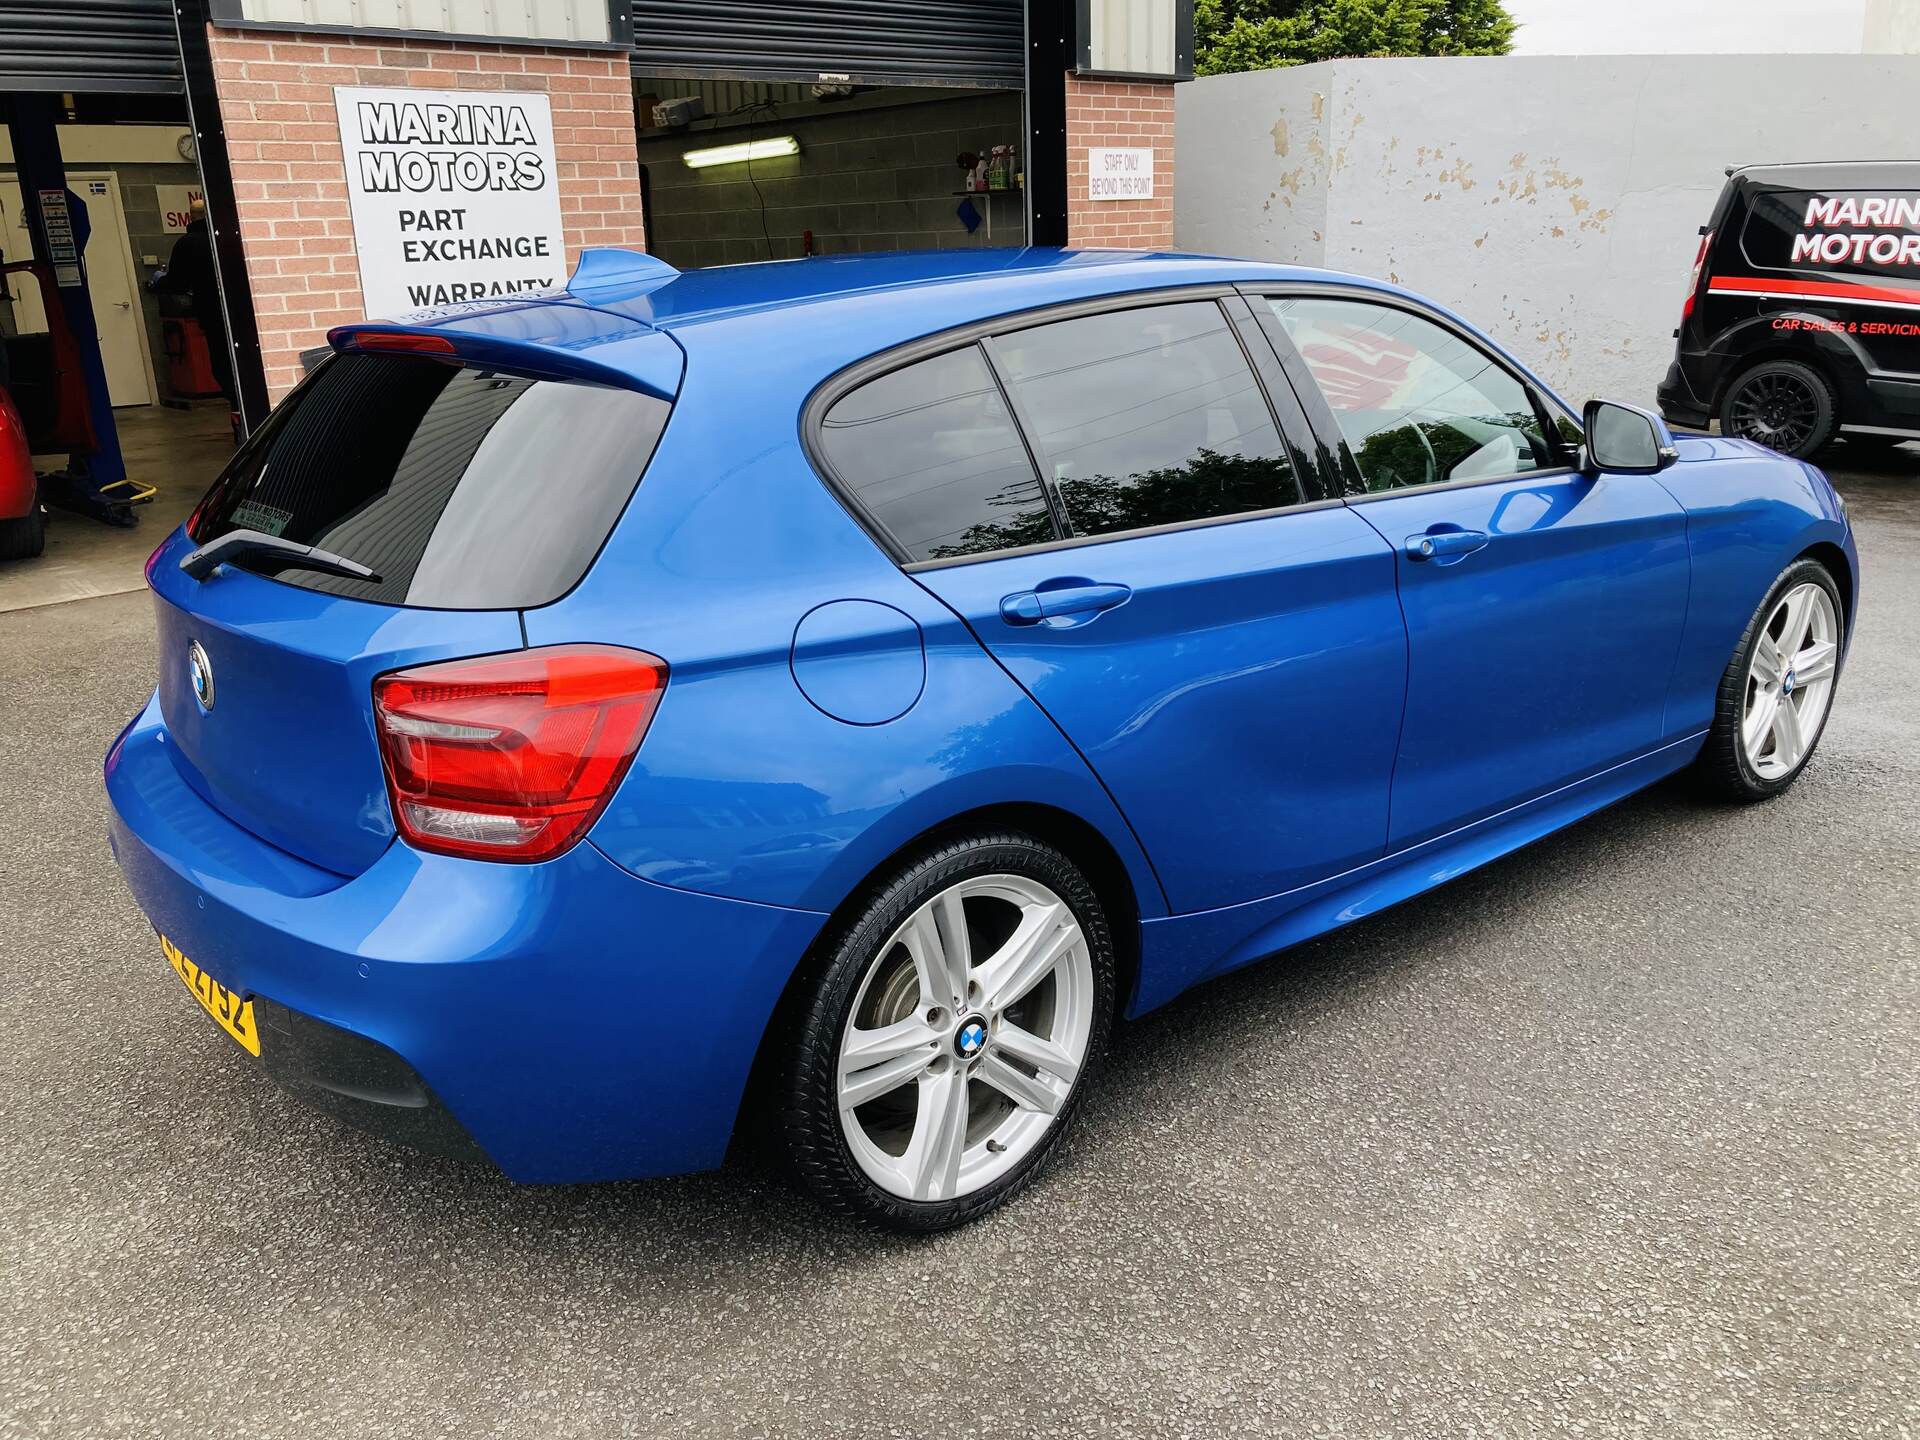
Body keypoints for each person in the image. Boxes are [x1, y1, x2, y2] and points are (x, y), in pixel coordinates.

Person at [154, 196, 234, 412]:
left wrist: (159, 281)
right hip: (240, 312)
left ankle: (237, 412)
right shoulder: (227, 236)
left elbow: (177, 283)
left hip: (211, 313)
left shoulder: (186, 243)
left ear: (190, 217)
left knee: (222, 366)